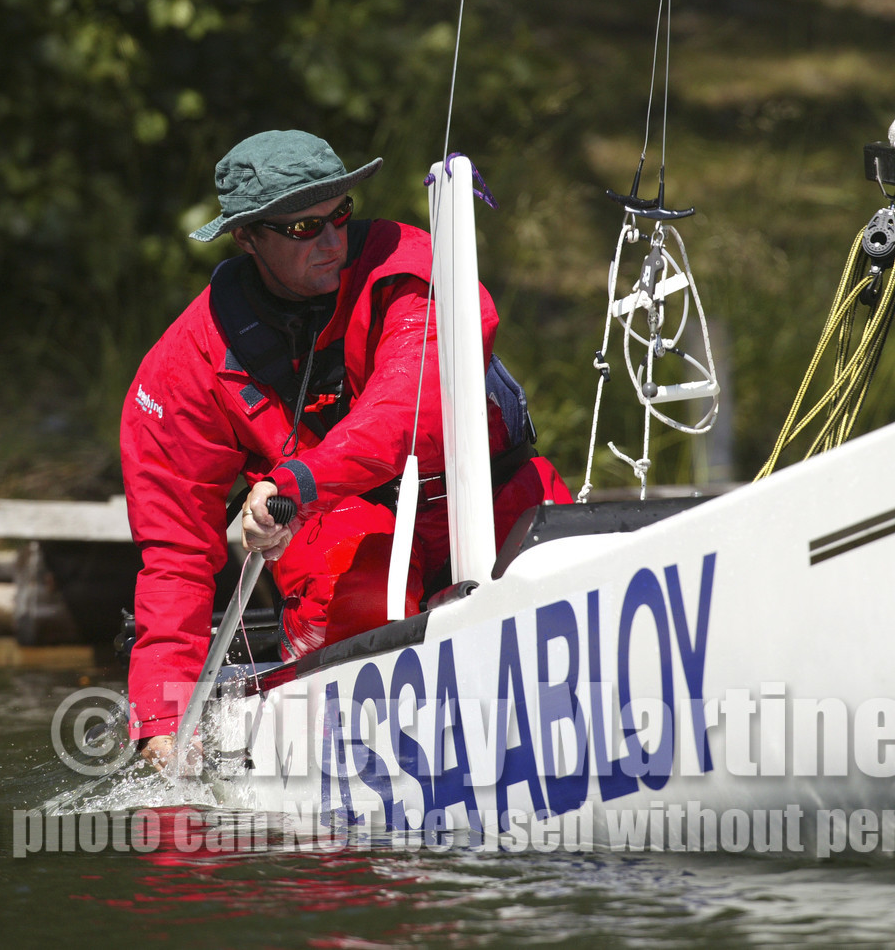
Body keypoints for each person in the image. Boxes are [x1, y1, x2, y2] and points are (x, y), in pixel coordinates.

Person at [120, 130, 572, 766]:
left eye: (339, 216)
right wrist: (162, 721)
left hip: (492, 499)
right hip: (349, 530)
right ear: (247, 237)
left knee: (564, 575)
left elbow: (407, 407)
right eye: (304, 228)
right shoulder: (183, 367)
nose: (332, 241)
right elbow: (174, 554)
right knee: (351, 591)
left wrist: (296, 483)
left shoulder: (414, 269)